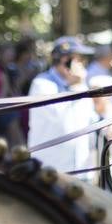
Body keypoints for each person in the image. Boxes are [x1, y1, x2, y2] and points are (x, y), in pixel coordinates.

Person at [28, 36, 95, 175]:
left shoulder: (80, 85)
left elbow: (89, 120)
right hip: (51, 170)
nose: (82, 64)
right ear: (65, 61)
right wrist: (76, 86)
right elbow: (59, 117)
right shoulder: (42, 84)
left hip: (82, 168)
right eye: (78, 59)